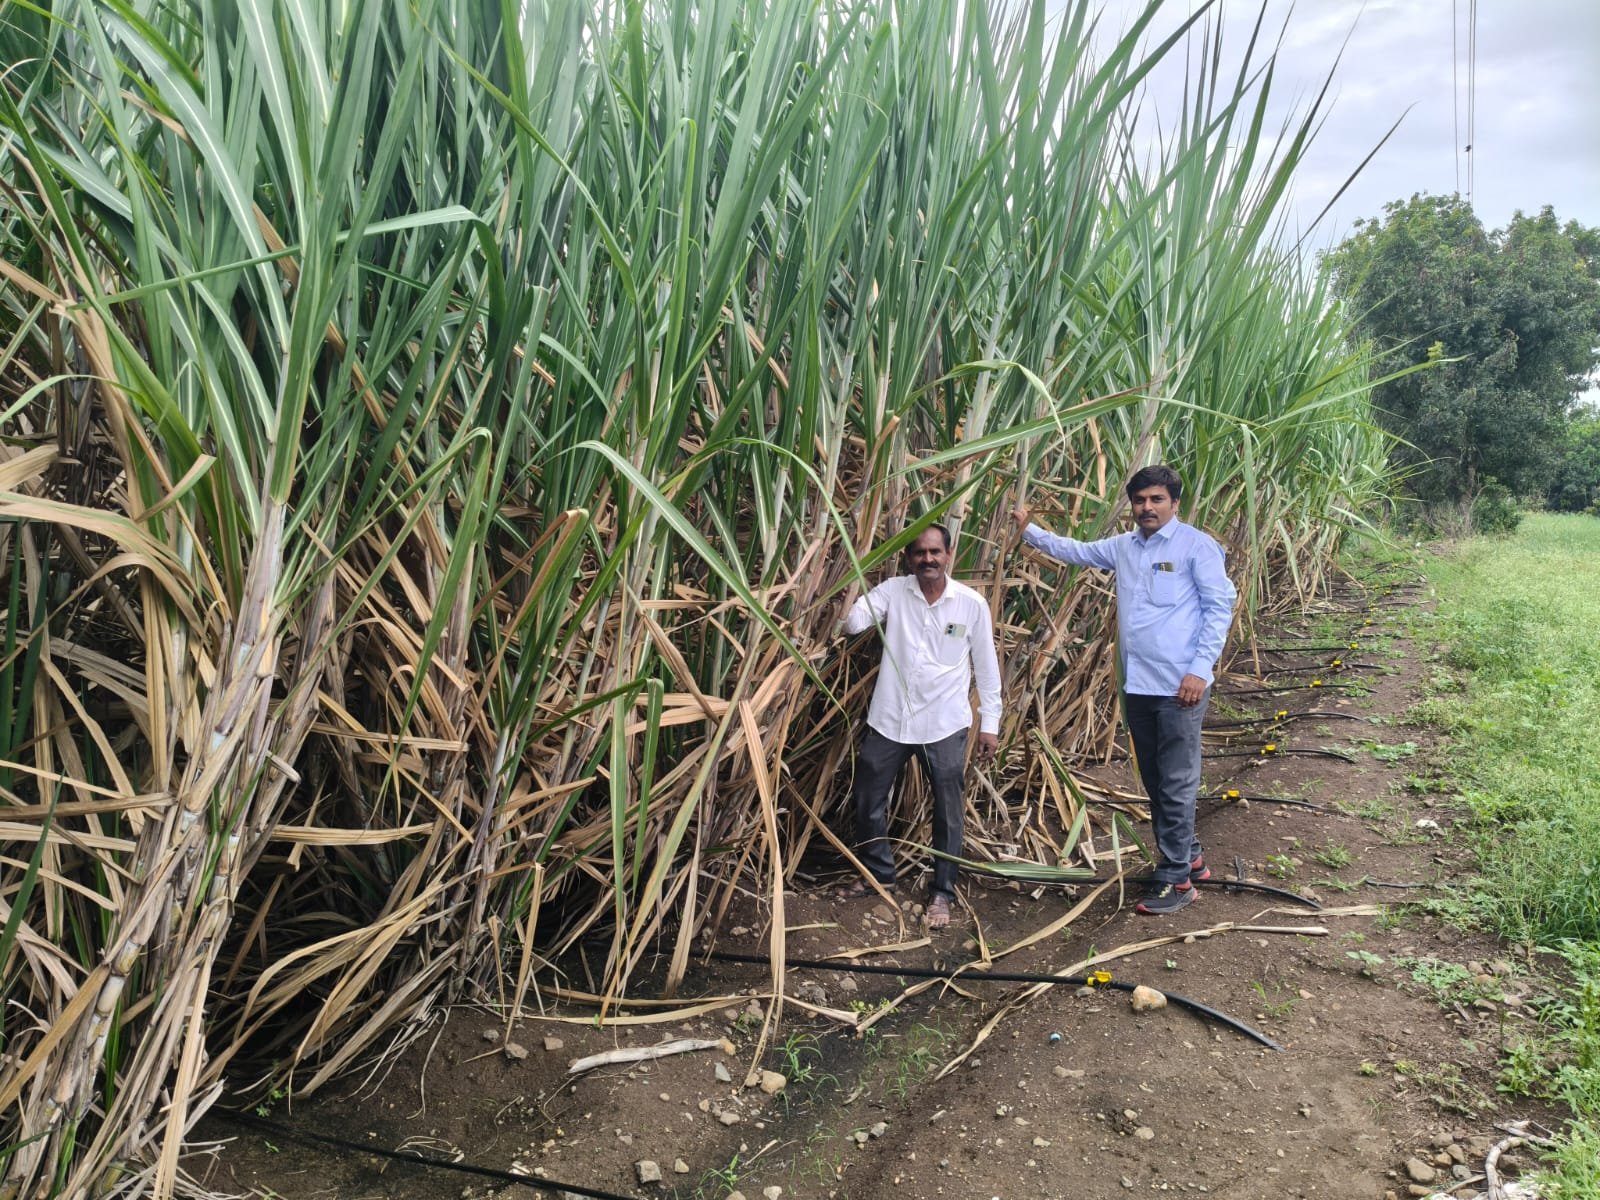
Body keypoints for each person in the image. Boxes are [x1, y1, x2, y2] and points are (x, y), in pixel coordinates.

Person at [1012, 464, 1236, 915]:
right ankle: (1189, 854)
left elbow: (1219, 607)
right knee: (1155, 778)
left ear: (1174, 503)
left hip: (1181, 686)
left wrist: (1199, 670)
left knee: (1175, 780)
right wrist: (1028, 530)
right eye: (1140, 500)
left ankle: (1176, 881)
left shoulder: (1197, 546)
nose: (1147, 507)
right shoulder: (1125, 547)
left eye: (1156, 499)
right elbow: (1076, 551)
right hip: (1140, 684)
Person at [840, 523, 1001, 929]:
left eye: (935, 552)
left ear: (949, 555)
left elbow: (986, 666)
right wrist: (842, 588)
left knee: (948, 810)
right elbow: (854, 623)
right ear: (908, 558)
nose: (927, 559)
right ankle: (879, 875)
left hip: (944, 723)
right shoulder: (894, 591)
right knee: (867, 798)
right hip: (890, 717)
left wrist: (990, 723)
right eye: (919, 553)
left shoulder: (970, 604)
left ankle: (942, 891)